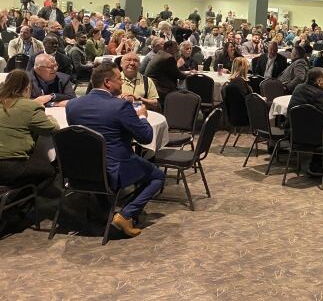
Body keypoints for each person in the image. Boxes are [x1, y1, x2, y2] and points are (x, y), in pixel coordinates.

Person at [66, 63, 164, 238]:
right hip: (114, 169)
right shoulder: (120, 107)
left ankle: (103, 210)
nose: (122, 83)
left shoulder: (72, 105)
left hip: (79, 170)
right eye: (119, 79)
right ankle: (126, 215)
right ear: (107, 82)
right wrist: (142, 116)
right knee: (157, 176)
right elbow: (146, 137)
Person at [0, 70, 59, 189]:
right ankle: (21, 201)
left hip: (6, 166)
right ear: (27, 88)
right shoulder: (30, 106)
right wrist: (51, 118)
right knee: (50, 171)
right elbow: (52, 129)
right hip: (9, 166)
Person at [145, 40, 188, 107]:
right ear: (168, 48)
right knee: (185, 92)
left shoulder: (160, 53)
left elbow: (172, 71)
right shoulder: (169, 57)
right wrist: (190, 75)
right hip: (160, 88)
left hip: (152, 85)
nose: (177, 50)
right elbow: (179, 75)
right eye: (175, 48)